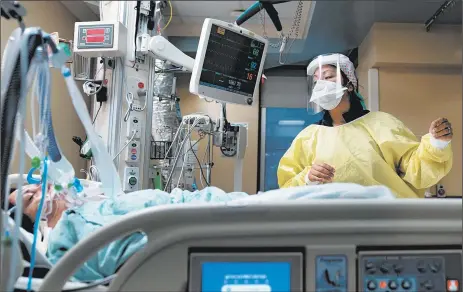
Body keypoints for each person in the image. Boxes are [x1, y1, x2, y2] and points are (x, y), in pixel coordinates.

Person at [277, 53, 453, 198]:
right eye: (316, 82)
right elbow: (287, 189)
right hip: (331, 229)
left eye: (329, 76)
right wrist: (307, 178)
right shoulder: (308, 137)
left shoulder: (381, 124)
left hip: (386, 225)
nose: (321, 85)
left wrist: (437, 144)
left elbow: (418, 172)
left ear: (350, 84)